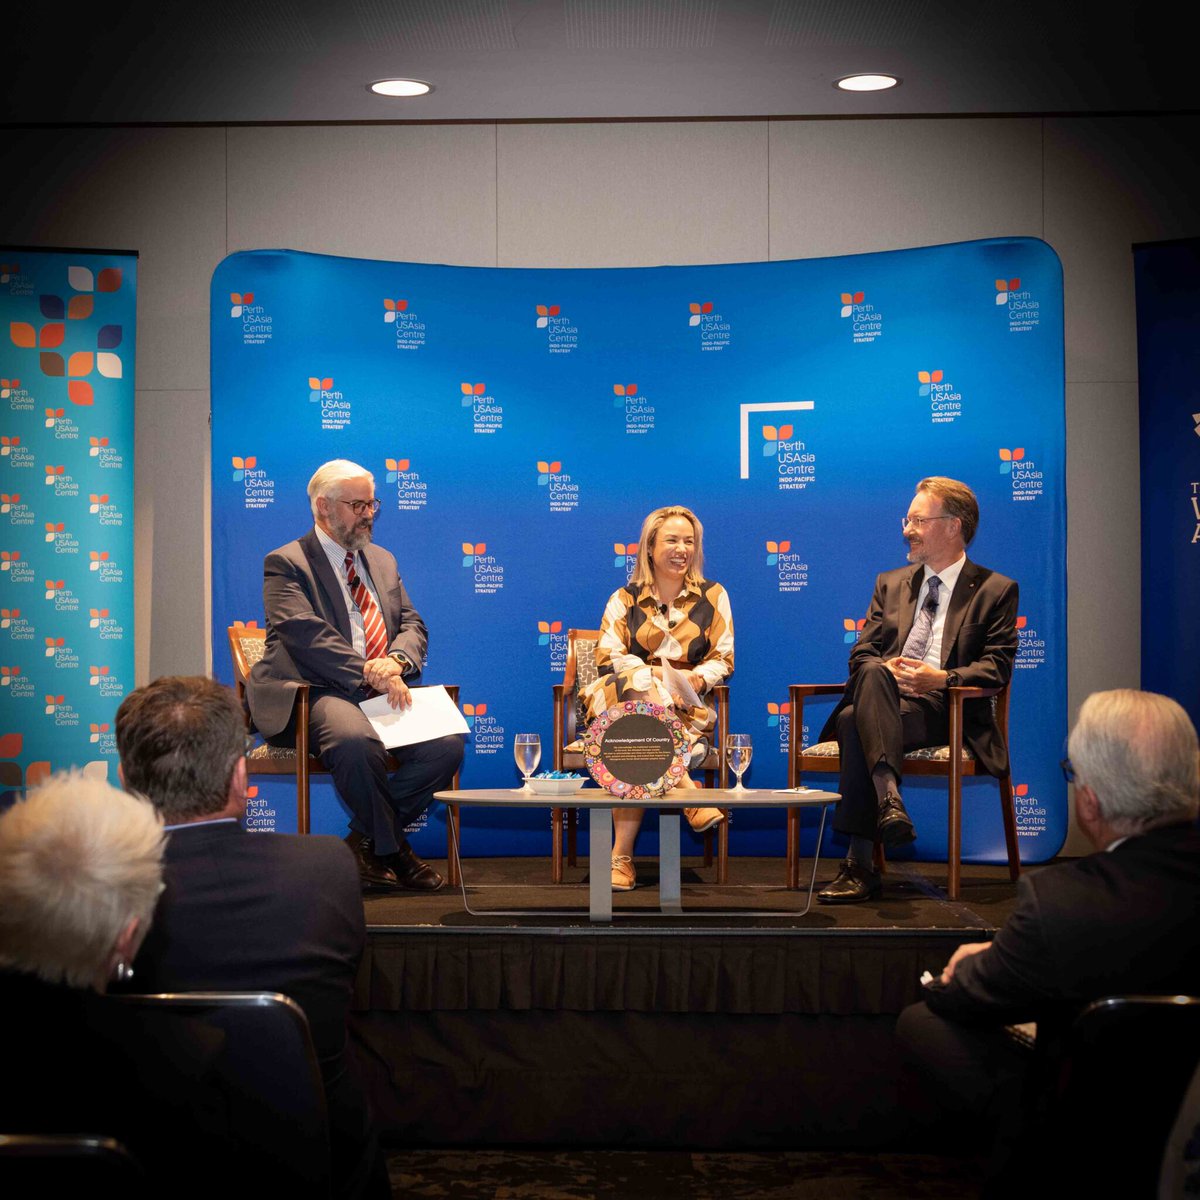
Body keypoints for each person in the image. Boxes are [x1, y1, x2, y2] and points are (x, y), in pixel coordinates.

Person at [896, 688, 1200, 1190]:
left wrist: (979, 962)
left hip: (1085, 1122)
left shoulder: (1059, 903)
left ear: (1090, 801)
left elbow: (963, 997)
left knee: (922, 1022)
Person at [114, 674, 387, 1199]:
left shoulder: (91, 895)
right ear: (242, 777)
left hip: (153, 1157)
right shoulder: (327, 868)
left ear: (126, 779)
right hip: (323, 1161)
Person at [245, 458, 464, 893]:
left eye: (372, 504)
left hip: (376, 691)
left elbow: (412, 625)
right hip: (312, 692)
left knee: (448, 744)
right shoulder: (287, 563)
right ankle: (395, 852)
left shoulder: (381, 560)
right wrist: (369, 670)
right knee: (354, 741)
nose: (369, 514)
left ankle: (362, 844)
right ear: (323, 507)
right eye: (357, 505)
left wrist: (396, 663)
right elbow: (304, 635)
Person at [816, 476, 1018, 903]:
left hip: (946, 710)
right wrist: (887, 668)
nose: (906, 529)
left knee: (855, 720)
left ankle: (859, 865)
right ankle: (889, 800)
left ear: (953, 525)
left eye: (918, 520)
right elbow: (862, 654)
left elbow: (996, 666)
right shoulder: (890, 583)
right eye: (906, 519)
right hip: (886, 700)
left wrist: (939, 678)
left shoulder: (995, 590)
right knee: (870, 678)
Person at [582, 504, 734, 891]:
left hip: (682, 708)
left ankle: (621, 859)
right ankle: (686, 790)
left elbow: (724, 657)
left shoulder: (713, 597)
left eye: (689, 541)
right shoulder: (624, 599)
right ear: (649, 547)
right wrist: (650, 676)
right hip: (615, 703)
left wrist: (696, 680)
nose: (682, 548)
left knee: (634, 738)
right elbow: (608, 656)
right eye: (672, 540)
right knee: (632, 688)